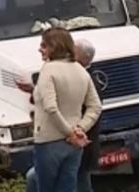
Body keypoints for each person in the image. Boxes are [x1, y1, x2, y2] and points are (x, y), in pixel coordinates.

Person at [30, 27, 102, 192]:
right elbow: (95, 106)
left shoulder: (48, 69)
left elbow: (50, 107)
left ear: (55, 46)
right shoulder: (81, 71)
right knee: (67, 187)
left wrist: (69, 132)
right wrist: (80, 128)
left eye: (44, 45)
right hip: (74, 145)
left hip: (49, 140)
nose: (40, 49)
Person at [73, 38, 102, 192]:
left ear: (83, 58)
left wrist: (78, 129)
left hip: (82, 141)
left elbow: (93, 109)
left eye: (73, 52)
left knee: (80, 179)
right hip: (79, 141)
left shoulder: (87, 80)